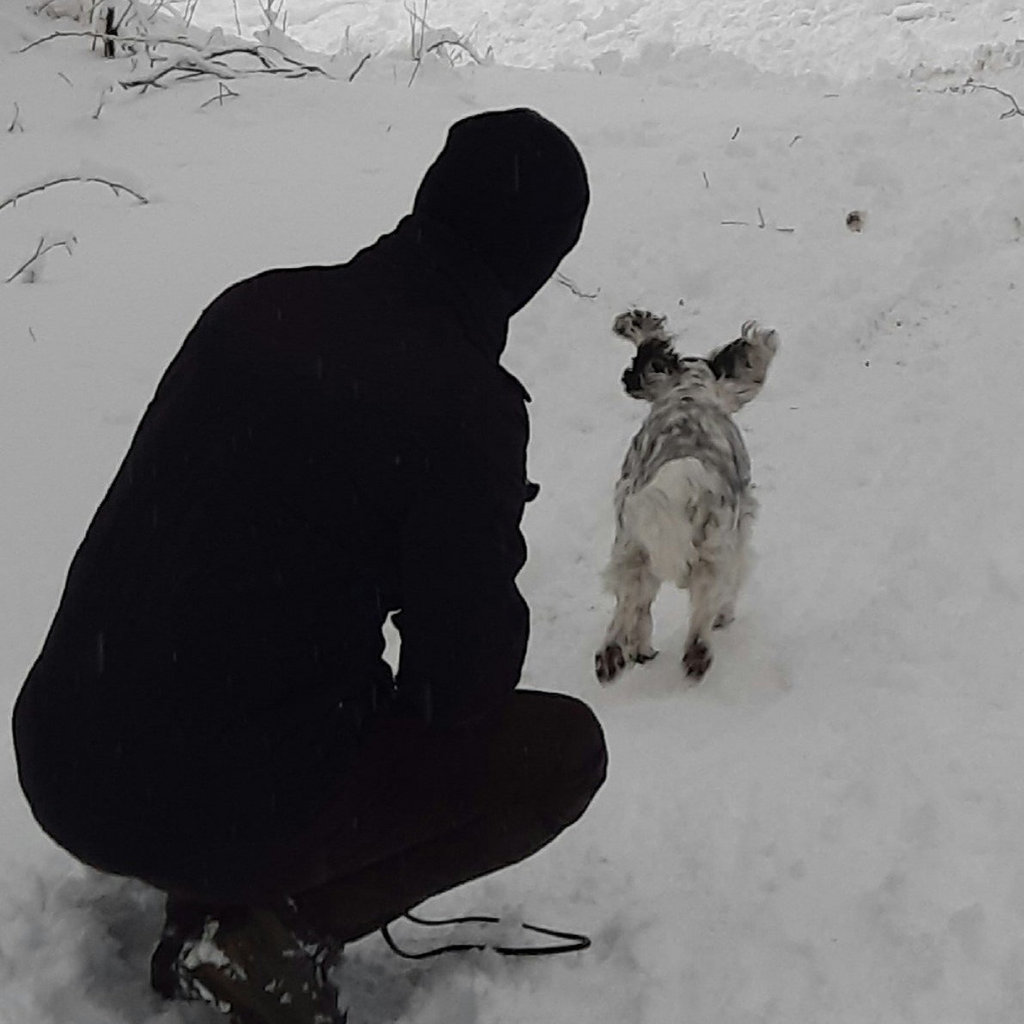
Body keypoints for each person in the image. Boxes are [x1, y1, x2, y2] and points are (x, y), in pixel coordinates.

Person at [11, 107, 606, 1023]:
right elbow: (462, 687)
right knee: (560, 754)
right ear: (536, 263)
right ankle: (265, 936)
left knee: (269, 680)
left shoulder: (257, 305)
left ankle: (217, 863)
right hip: (193, 793)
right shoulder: (463, 404)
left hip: (64, 752)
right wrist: (473, 530)